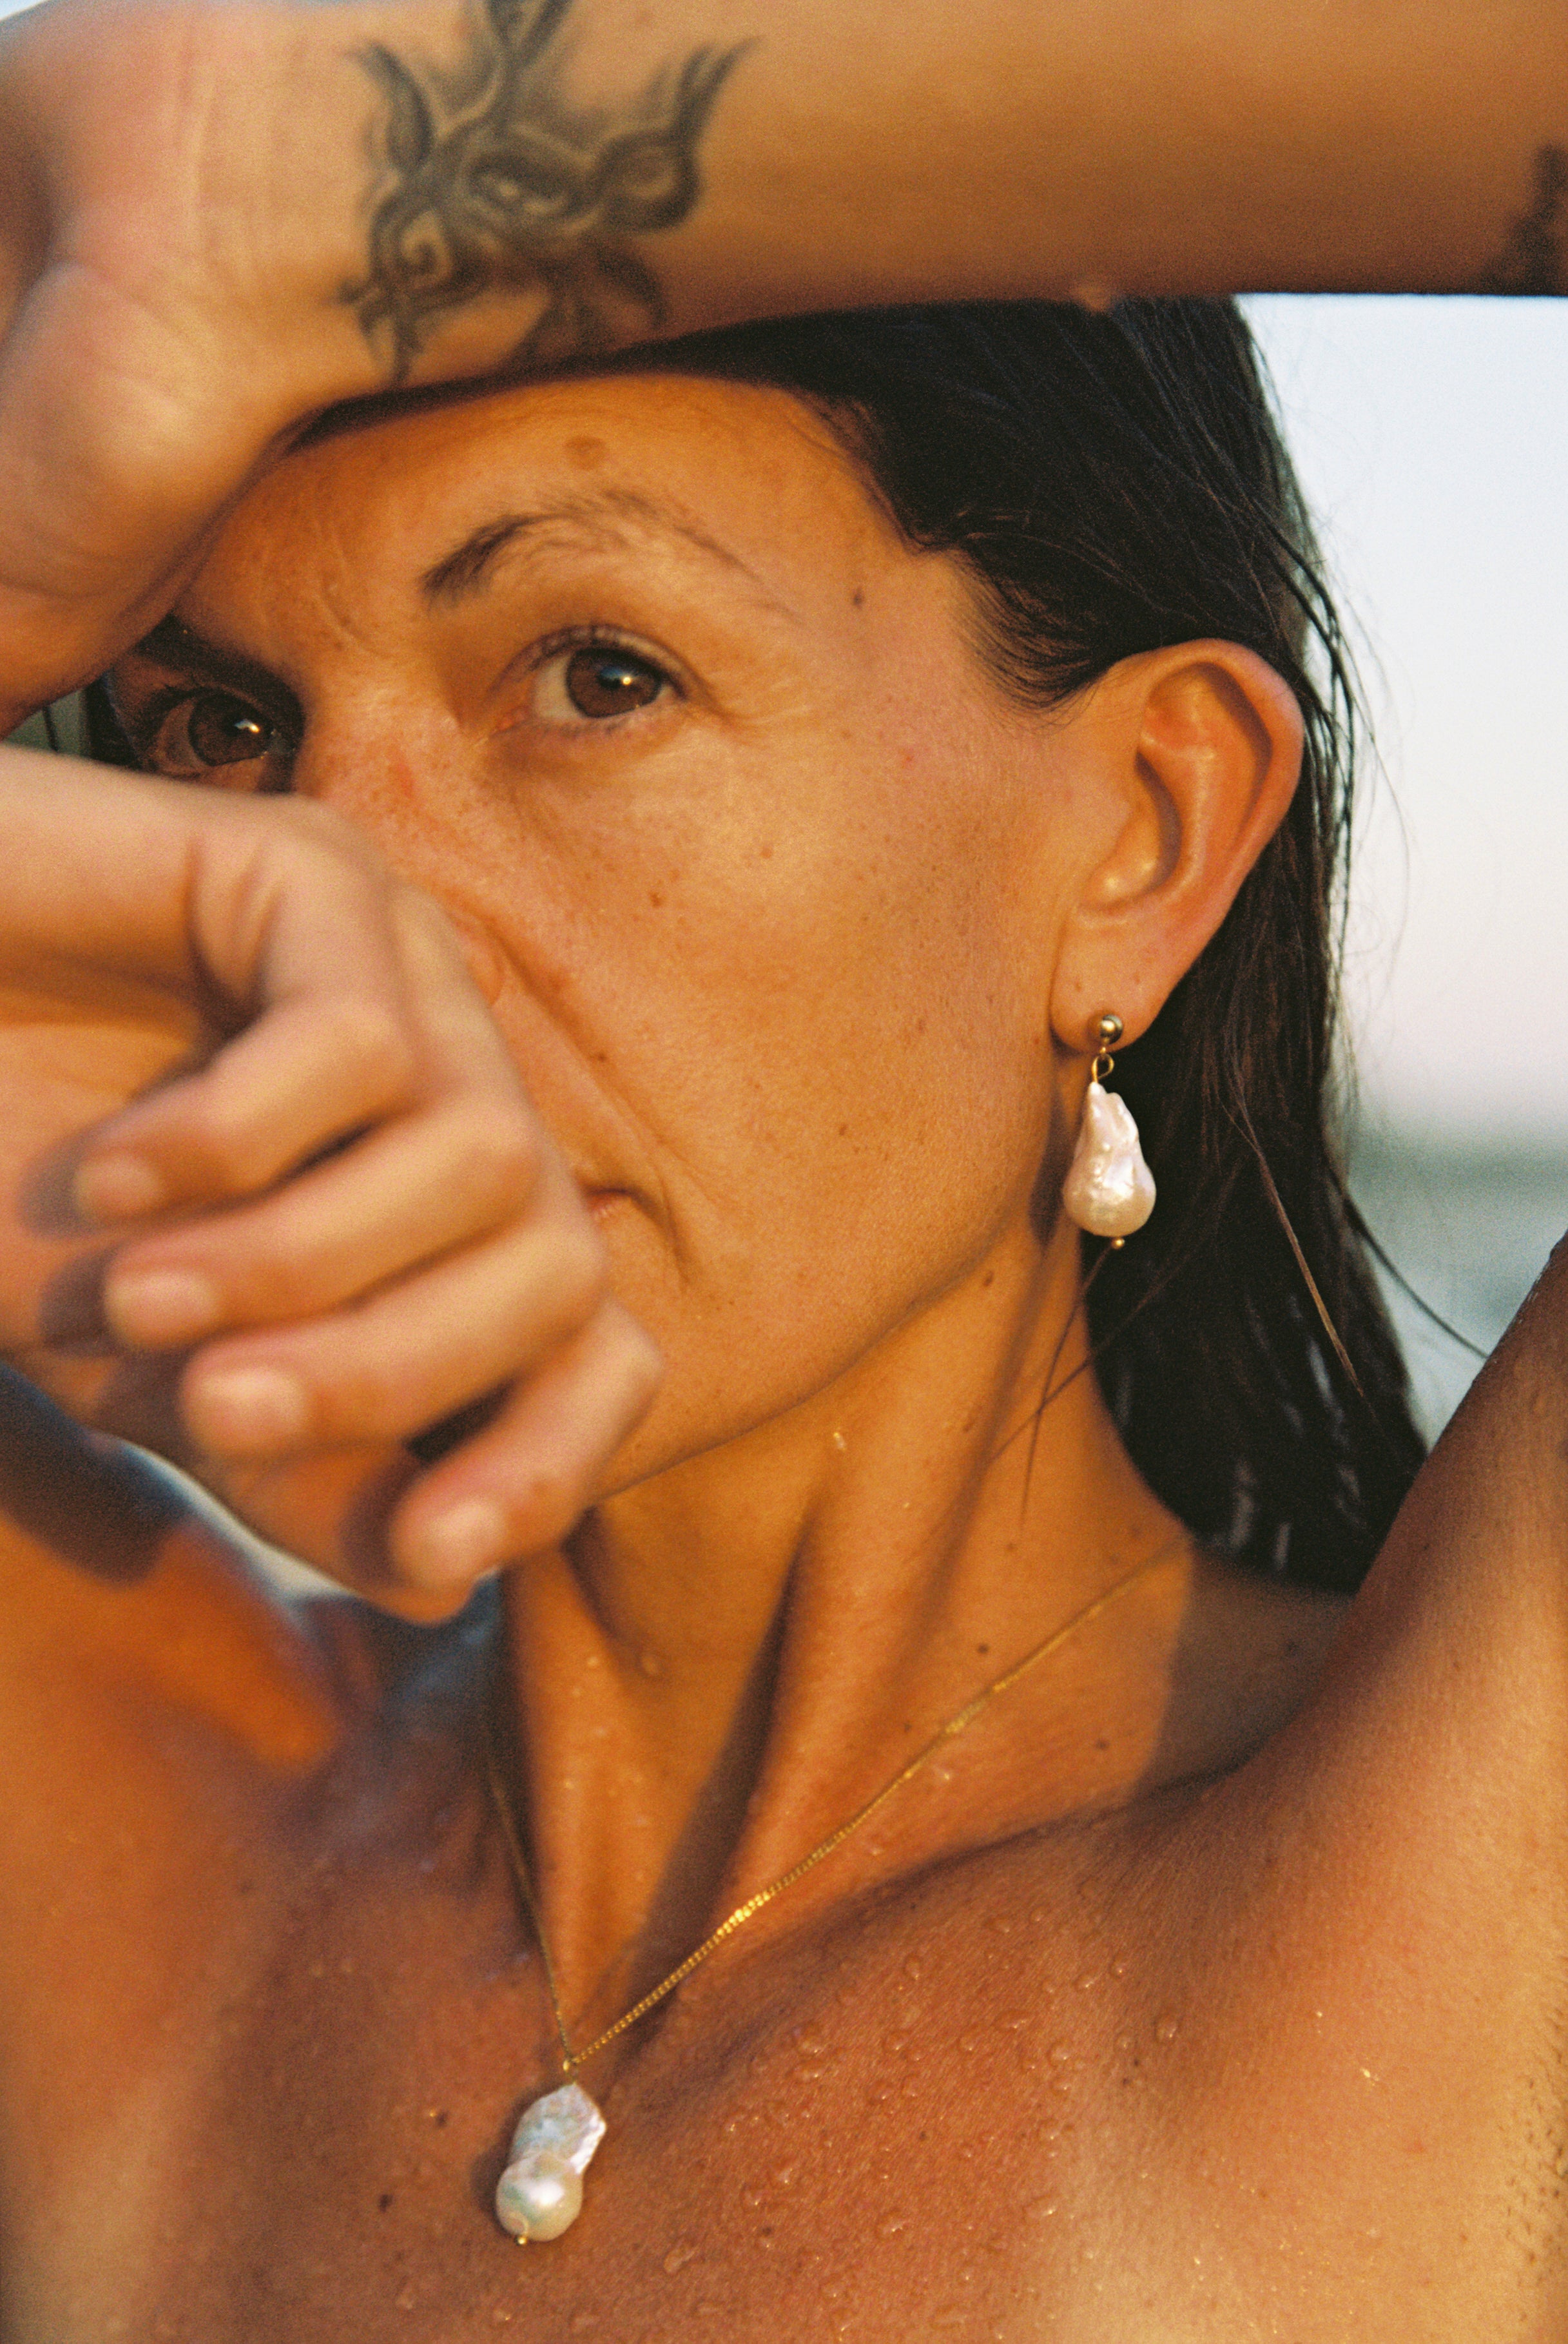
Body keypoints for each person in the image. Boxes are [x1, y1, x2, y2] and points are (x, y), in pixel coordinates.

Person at [0, 5, 1563, 2338]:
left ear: (1142, 834)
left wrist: (297, 170)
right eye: (219, 730)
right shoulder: (128, 1814)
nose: (337, 920)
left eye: (596, 672)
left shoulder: (1472, 1853)